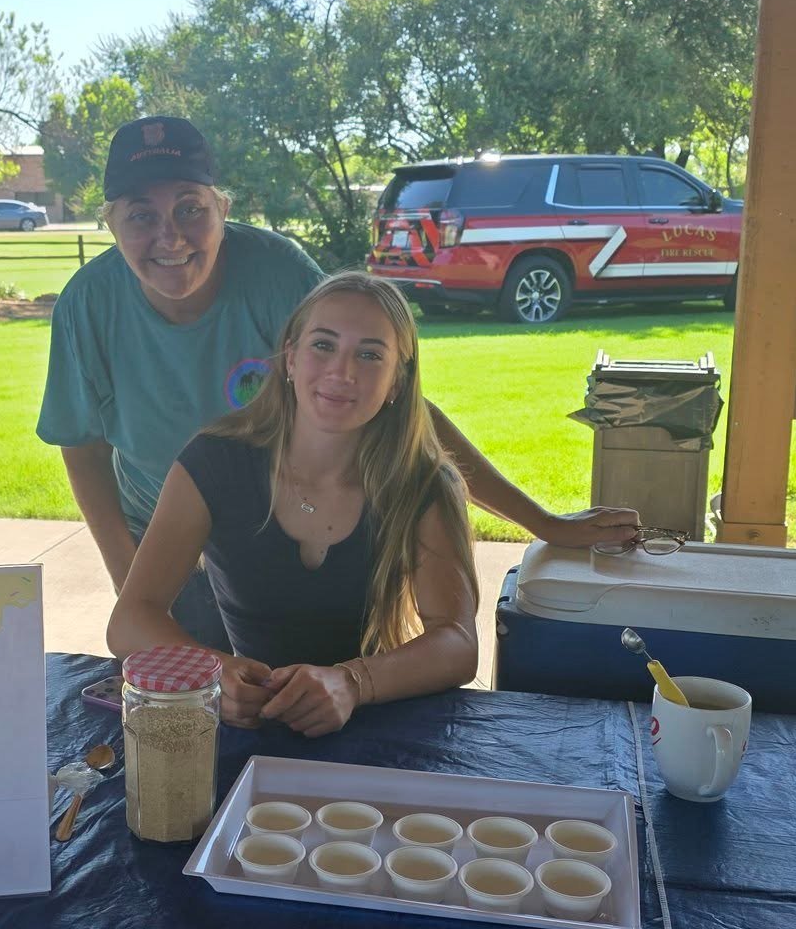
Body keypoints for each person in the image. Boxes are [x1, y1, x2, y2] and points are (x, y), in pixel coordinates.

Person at [37, 115, 638, 644]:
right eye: (141, 215)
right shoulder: (88, 304)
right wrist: (130, 581)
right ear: (111, 222)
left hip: (274, 530)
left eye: (190, 207)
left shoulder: (275, 272)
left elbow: (386, 402)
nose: (169, 236)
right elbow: (81, 444)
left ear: (222, 208)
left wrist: (546, 524)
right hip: (162, 544)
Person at [108, 273, 477, 735]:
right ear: (290, 358)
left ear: (397, 384)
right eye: (323, 345)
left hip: (378, 719)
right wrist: (213, 674)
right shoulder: (213, 463)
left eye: (369, 354)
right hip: (249, 723)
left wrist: (352, 684)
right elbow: (130, 620)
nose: (342, 372)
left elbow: (458, 642)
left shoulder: (424, 484)